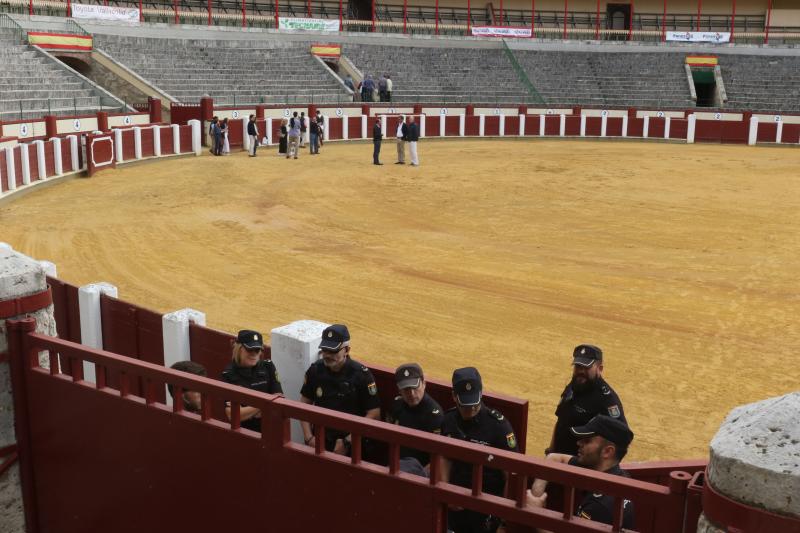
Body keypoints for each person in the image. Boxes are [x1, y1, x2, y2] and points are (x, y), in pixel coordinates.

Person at [525, 415, 635, 530]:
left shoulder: (599, 507)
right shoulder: (610, 472)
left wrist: (536, 513)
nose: (579, 443)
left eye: (587, 441)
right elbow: (555, 458)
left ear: (607, 451)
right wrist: (536, 493)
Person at [442, 367, 518, 533]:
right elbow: (444, 458)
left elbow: (511, 475)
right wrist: (447, 493)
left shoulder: (499, 427)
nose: (470, 410)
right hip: (456, 505)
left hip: (487, 508)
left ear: (481, 394)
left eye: (474, 405)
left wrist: (504, 521)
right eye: (465, 405)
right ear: (454, 396)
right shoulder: (448, 420)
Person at [299, 324, 381, 455]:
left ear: (347, 350)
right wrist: (309, 437)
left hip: (353, 447)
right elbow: (304, 404)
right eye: (325, 350)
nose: (327, 355)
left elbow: (374, 414)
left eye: (333, 351)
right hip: (320, 440)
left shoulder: (361, 375)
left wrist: (348, 441)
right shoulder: (315, 370)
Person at [547, 344, 626, 456]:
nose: (581, 371)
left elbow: (621, 437)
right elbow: (561, 420)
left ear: (600, 369)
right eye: (578, 366)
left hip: (581, 465)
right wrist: (550, 451)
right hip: (557, 458)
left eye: (586, 367)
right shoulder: (574, 385)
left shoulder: (607, 400)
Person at [220, 330, 283, 432]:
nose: (254, 354)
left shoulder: (268, 366)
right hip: (245, 434)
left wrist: (248, 411)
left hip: (270, 431)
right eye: (250, 350)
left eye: (257, 350)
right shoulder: (229, 375)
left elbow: (279, 401)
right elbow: (233, 415)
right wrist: (264, 404)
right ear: (239, 349)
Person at [387, 363, 444, 467]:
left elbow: (437, 457)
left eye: (415, 387)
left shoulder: (434, 415)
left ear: (424, 384)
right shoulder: (397, 405)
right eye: (406, 389)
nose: (412, 394)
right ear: (399, 390)